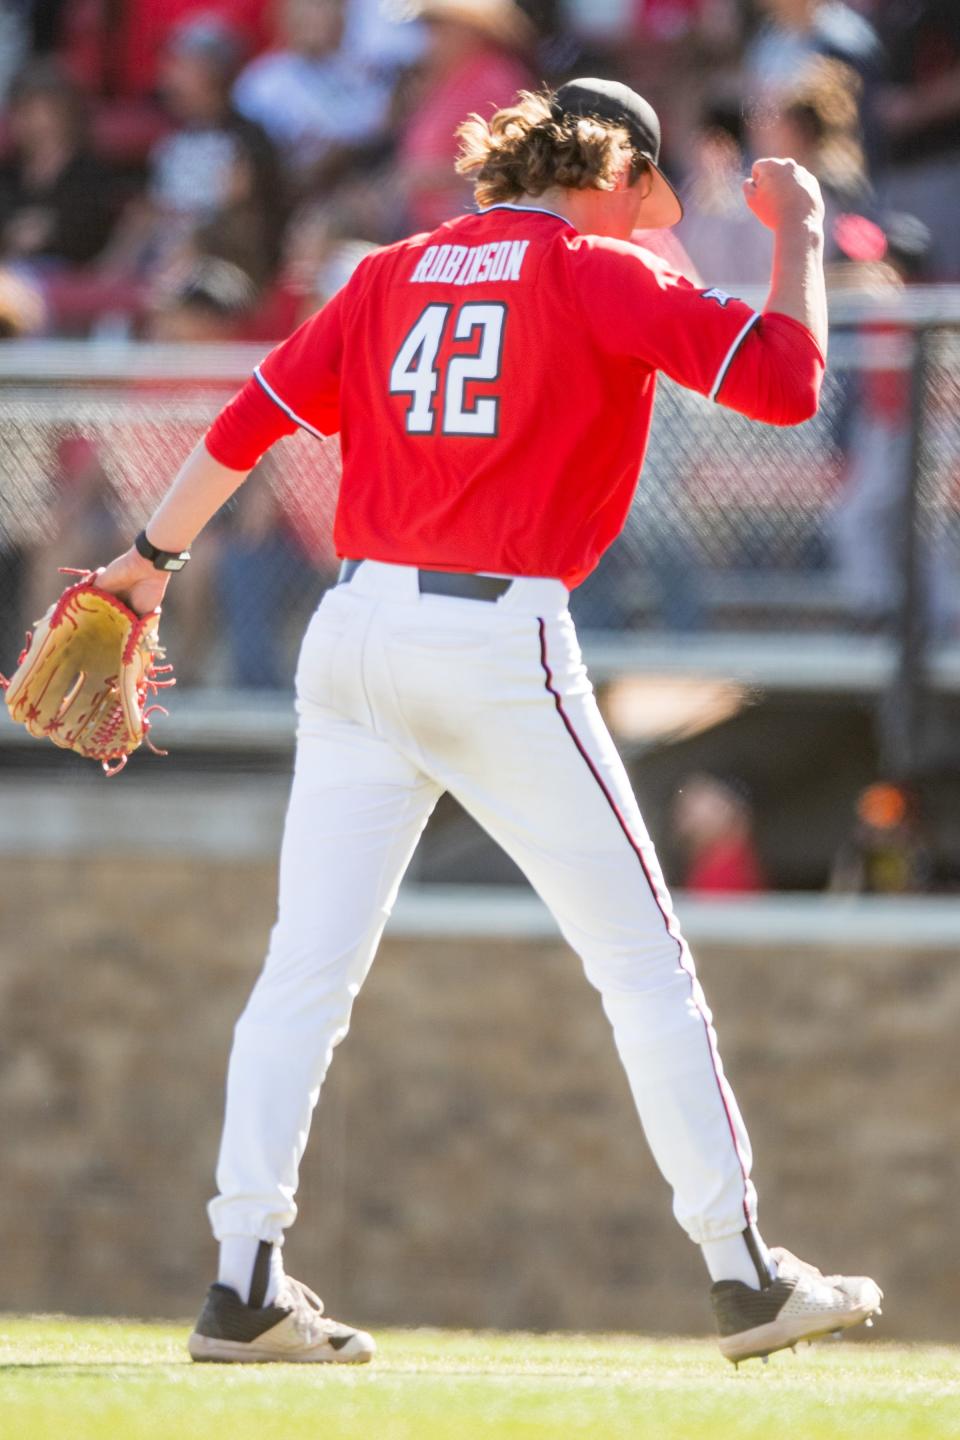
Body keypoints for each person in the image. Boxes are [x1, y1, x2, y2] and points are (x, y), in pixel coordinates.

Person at [94, 77, 882, 1366]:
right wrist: (797, 234)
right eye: (648, 177)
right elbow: (791, 387)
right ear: (615, 165)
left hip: (351, 636)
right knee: (643, 966)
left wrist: (143, 561)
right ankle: (743, 1273)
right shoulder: (594, 271)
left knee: (306, 972)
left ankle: (243, 1279)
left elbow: (250, 420)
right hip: (497, 636)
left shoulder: (390, 269)